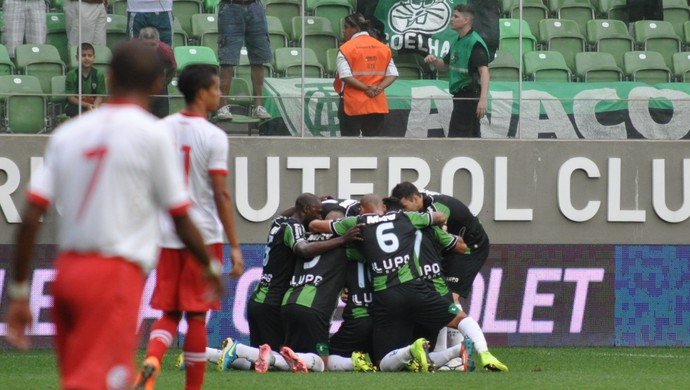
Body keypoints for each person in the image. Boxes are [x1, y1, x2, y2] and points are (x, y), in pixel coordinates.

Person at [4, 40, 222, 390]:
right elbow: (181, 217)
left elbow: (31, 216)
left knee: (77, 378)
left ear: (108, 77)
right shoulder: (152, 135)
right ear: (156, 83)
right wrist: (210, 266)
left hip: (68, 273)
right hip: (114, 275)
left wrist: (18, 291)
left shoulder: (67, 133)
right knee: (104, 381)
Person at [135, 64, 245, 390]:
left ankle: (153, 359)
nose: (220, 94)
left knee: (169, 312)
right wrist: (235, 246)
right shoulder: (214, 136)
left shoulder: (161, 128)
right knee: (196, 315)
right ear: (201, 92)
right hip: (204, 237)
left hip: (168, 236)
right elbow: (221, 193)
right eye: (216, 89)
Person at [309, 194, 507, 372]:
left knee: (383, 362)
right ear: (385, 208)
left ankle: (412, 350)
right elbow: (440, 219)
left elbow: (315, 226)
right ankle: (483, 352)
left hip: (386, 298)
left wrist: (344, 236)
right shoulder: (407, 219)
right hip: (416, 289)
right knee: (460, 318)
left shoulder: (358, 222)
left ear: (362, 209)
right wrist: (435, 224)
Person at [246, 193, 360, 354]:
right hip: (272, 302)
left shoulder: (280, 221)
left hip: (260, 299)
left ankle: (224, 353)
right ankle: (234, 350)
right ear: (306, 210)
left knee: (260, 358)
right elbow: (303, 249)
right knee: (271, 357)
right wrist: (342, 240)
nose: (320, 217)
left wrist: (312, 203)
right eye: (317, 212)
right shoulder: (295, 227)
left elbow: (281, 214)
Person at [391, 181, 490, 313]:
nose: (402, 212)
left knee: (450, 298)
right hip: (451, 247)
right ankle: (444, 333)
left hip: (470, 247)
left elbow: (440, 236)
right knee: (438, 296)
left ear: (415, 199)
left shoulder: (437, 207)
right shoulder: (419, 204)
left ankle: (467, 333)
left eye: (404, 207)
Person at [423, 4, 489, 138]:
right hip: (460, 97)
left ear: (466, 20)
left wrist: (482, 100)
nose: (451, 19)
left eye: (456, 16)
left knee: (459, 137)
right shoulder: (457, 42)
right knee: (470, 135)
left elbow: (484, 72)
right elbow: (445, 65)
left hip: (469, 96)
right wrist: (434, 60)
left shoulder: (474, 43)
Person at [334, 13, 398, 137]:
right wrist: (378, 88)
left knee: (350, 145)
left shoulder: (346, 49)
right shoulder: (383, 48)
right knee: (374, 145)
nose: (344, 31)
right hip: (376, 103)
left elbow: (345, 76)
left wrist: (366, 88)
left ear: (356, 29)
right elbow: (393, 74)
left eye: (346, 27)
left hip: (352, 104)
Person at [215, 0, 273, 121]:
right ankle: (222, 106)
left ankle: (258, 106)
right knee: (227, 60)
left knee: (258, 60)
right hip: (230, 6)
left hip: (255, 6)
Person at [139, 26, 177, 118]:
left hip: (159, 84)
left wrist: (164, 83)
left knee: (162, 117)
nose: (149, 49)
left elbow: (173, 68)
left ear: (158, 41)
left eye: (153, 45)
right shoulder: (131, 51)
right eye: (145, 45)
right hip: (139, 85)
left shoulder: (166, 51)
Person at [64, 42, 107, 117]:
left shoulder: (99, 74)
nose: (86, 58)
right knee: (76, 110)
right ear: (77, 58)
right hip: (77, 106)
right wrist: (87, 105)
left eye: (89, 55)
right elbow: (70, 97)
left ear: (94, 58)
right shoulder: (71, 75)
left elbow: (100, 95)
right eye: (83, 55)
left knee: (107, 108)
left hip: (94, 105)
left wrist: (94, 106)